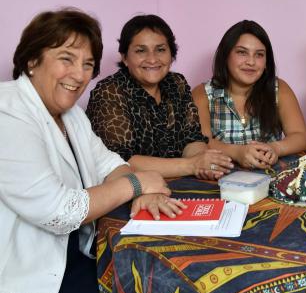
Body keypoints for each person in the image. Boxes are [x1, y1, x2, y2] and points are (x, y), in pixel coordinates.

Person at [0, 8, 186, 293]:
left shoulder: (70, 116)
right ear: (31, 61)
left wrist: (137, 186)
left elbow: (110, 163)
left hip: (74, 261)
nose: (80, 74)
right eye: (66, 58)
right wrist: (135, 185)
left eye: (87, 64)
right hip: (23, 279)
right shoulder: (7, 110)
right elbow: (59, 211)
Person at [86, 14, 233, 179]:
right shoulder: (109, 92)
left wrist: (204, 164)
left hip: (179, 183)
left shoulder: (177, 83)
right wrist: (192, 165)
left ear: (171, 54)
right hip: (132, 190)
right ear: (125, 57)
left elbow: (192, 139)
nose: (152, 59)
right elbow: (121, 162)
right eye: (141, 50)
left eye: (161, 49)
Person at [192, 20, 306, 170]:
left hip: (270, 176)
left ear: (267, 62)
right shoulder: (202, 94)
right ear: (226, 55)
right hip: (220, 179)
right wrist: (238, 152)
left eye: (259, 55)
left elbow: (300, 136)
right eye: (242, 52)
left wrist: (275, 148)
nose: (251, 62)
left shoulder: (279, 89)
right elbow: (199, 142)